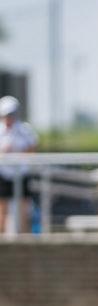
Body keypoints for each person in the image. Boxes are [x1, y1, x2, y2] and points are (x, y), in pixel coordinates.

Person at [0, 96, 38, 234]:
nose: (8, 118)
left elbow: (32, 150)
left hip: (21, 174)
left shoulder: (25, 130)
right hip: (3, 174)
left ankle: (24, 244)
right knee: (2, 212)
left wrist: (17, 151)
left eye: (11, 114)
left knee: (24, 212)